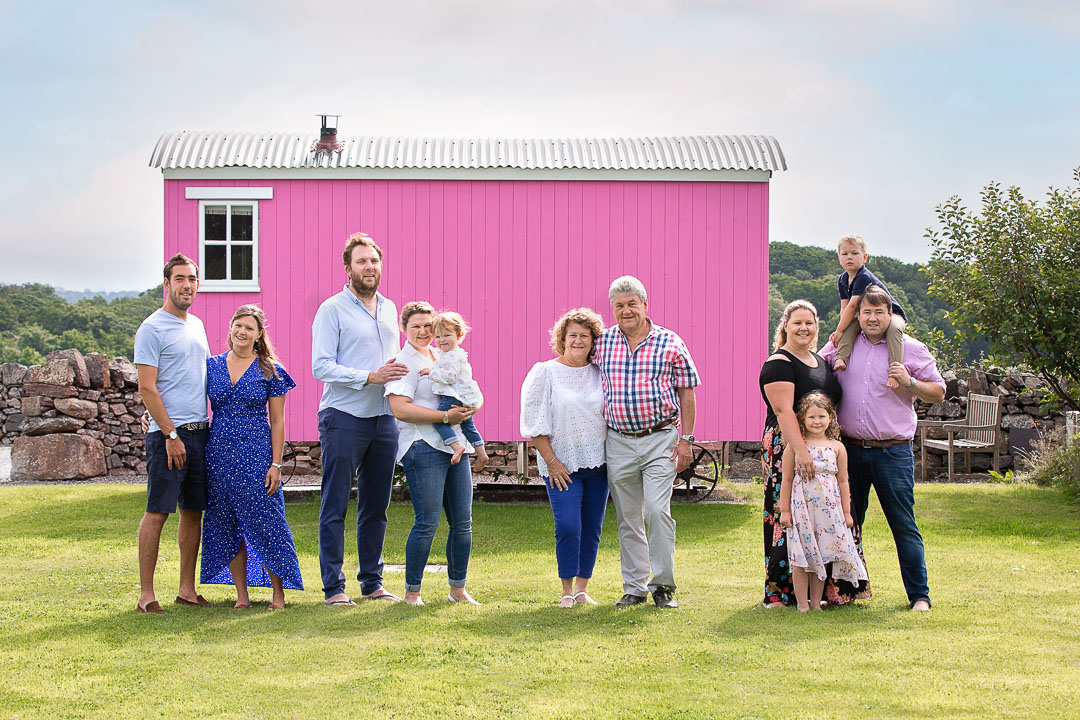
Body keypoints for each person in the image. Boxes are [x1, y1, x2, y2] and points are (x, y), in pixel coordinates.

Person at [821, 285, 945, 611]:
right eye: (866, 312)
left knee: (903, 525)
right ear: (858, 315)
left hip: (893, 452)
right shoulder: (842, 348)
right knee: (847, 522)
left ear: (890, 315)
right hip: (848, 450)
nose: (872, 318)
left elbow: (938, 392)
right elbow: (812, 365)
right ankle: (842, 593)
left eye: (879, 312)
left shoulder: (911, 349)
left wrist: (911, 383)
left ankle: (919, 597)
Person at [311, 232, 408, 606]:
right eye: (362, 261)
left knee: (376, 506)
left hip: (385, 418)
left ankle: (372, 582)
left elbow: (395, 361)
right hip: (343, 416)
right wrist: (369, 376)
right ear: (347, 267)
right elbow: (321, 366)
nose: (370, 267)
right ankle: (334, 588)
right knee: (334, 504)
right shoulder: (331, 309)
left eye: (374, 261)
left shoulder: (389, 308)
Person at [593, 276, 699, 610]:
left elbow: (687, 393)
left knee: (656, 510)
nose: (626, 311)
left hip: (660, 439)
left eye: (631, 304)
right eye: (619, 306)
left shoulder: (670, 342)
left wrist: (687, 440)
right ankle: (634, 587)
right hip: (618, 440)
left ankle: (663, 586)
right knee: (628, 517)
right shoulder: (603, 343)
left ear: (645, 304)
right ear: (613, 309)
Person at [759, 299, 869, 608]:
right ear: (786, 327)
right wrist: (801, 450)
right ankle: (781, 593)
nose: (804, 328)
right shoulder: (779, 363)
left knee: (829, 516)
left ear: (817, 327)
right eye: (797, 323)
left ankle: (833, 589)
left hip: (824, 450)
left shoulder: (817, 361)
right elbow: (783, 411)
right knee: (792, 517)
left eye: (810, 323)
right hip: (790, 447)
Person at [200, 305, 303, 609]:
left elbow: (279, 421)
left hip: (257, 455)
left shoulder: (270, 369)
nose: (242, 332)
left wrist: (276, 463)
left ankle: (278, 594)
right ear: (230, 328)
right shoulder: (212, 366)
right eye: (238, 326)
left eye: (249, 328)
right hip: (218, 455)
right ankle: (241, 595)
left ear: (259, 335)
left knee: (267, 521)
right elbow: (183, 395)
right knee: (226, 521)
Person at [385, 302, 481, 606]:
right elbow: (400, 408)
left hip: (456, 446)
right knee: (427, 522)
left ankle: (458, 589)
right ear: (405, 329)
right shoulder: (404, 362)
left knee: (462, 522)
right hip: (423, 447)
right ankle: (412, 592)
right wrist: (444, 418)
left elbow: (467, 389)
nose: (424, 332)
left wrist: (472, 408)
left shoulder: (443, 355)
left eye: (429, 326)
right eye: (416, 326)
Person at [134, 254, 211, 614]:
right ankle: (146, 594)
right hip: (168, 436)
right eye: (179, 279)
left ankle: (186, 589)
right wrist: (170, 434)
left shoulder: (196, 325)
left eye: (192, 279)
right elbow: (147, 388)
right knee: (158, 511)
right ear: (167, 284)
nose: (186, 285)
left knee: (193, 511)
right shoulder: (152, 328)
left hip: (200, 432)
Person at [520, 308, 609, 608]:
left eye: (585, 335)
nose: (579, 340)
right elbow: (534, 422)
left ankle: (583, 589)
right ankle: (566, 590)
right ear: (563, 338)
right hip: (561, 466)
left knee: (592, 527)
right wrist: (552, 461)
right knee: (569, 525)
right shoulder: (545, 372)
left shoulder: (600, 373)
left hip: (599, 464)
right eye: (573, 335)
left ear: (593, 340)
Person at [779, 392, 868, 612]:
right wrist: (784, 511)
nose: (816, 421)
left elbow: (844, 481)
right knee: (802, 556)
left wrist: (846, 513)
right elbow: (787, 479)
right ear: (802, 419)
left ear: (830, 418)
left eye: (821, 416)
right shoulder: (796, 446)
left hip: (828, 511)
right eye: (811, 417)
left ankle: (816, 603)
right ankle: (802, 604)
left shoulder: (837, 447)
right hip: (803, 508)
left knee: (821, 553)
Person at [830, 234, 907, 387]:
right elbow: (845, 308)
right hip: (865, 314)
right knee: (850, 326)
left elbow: (853, 306)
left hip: (890, 314)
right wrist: (842, 327)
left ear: (864, 257)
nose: (849, 257)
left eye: (854, 253)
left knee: (894, 330)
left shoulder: (863, 277)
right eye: (845, 254)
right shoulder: (842, 279)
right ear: (839, 257)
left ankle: (895, 373)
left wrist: (838, 331)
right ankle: (841, 358)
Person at [420, 311, 489, 470]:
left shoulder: (451, 356)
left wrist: (431, 373)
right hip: (465, 396)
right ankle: (482, 453)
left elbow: (450, 377)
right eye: (437, 336)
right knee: (468, 426)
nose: (441, 340)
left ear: (458, 336)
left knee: (439, 421)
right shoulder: (451, 354)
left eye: (446, 335)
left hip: (454, 396)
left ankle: (457, 446)